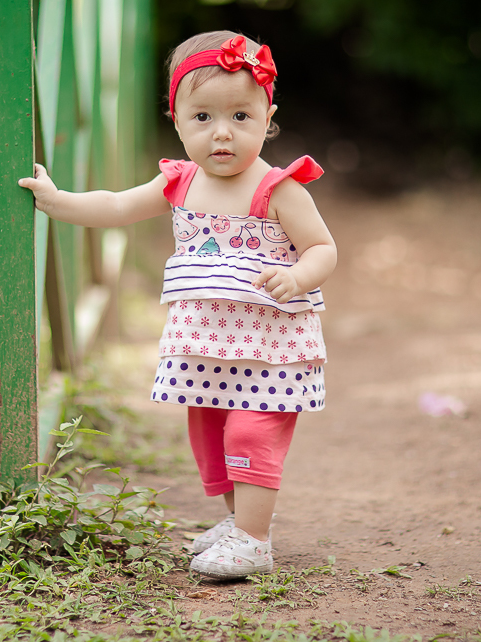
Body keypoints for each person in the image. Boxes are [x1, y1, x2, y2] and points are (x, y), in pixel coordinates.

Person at [18, 30, 336, 579]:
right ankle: (237, 522)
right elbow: (115, 206)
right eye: (203, 117)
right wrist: (57, 201)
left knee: (249, 434)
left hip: (271, 347)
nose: (222, 133)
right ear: (177, 121)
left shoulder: (279, 189)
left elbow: (323, 247)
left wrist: (297, 274)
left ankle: (254, 540)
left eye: (241, 116)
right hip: (206, 344)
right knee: (211, 435)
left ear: (268, 117)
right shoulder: (180, 183)